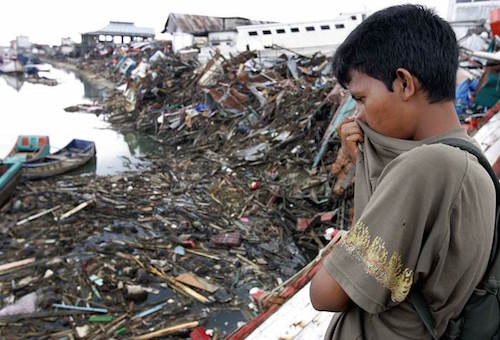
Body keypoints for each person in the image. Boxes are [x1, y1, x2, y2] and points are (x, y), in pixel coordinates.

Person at [309, 5, 495, 339]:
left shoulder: (427, 168)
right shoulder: (468, 161)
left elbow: (325, 294)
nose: (359, 117)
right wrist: (365, 161)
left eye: (362, 99)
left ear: (404, 83)